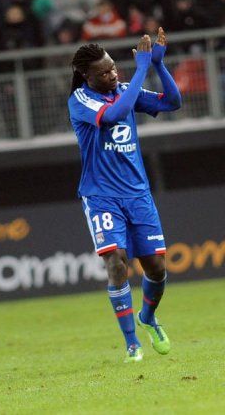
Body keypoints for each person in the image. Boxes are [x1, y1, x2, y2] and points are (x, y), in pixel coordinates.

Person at [67, 28, 181, 362]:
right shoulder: (81, 101)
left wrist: (158, 65)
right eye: (103, 72)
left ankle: (148, 317)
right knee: (116, 261)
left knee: (157, 267)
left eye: (114, 67)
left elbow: (173, 102)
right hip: (101, 196)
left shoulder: (123, 90)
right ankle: (132, 342)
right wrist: (142, 68)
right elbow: (115, 115)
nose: (113, 73)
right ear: (86, 76)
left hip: (138, 195)